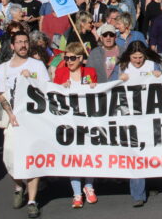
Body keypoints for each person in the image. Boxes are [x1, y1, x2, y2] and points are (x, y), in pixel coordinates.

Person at [0, 31, 50, 218]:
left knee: (33, 159)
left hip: (33, 120)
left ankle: (32, 201)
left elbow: (46, 90)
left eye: (25, 42)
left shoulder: (37, 65)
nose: (23, 45)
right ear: (12, 46)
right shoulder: (4, 68)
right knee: (9, 159)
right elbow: (1, 94)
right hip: (13, 120)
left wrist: (30, 78)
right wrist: (10, 113)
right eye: (19, 42)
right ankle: (19, 186)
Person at [109, 41, 162, 207]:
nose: (138, 61)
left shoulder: (153, 64)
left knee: (151, 151)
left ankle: (150, 183)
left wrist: (159, 76)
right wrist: (119, 78)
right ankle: (138, 193)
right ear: (128, 56)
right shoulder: (123, 66)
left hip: (150, 114)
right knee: (136, 152)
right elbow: (111, 85)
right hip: (130, 115)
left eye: (140, 57)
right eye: (134, 58)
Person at [52, 42, 99, 209]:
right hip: (68, 123)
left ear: (80, 58)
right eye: (66, 58)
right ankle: (77, 193)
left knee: (88, 155)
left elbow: (97, 97)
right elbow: (52, 94)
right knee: (73, 158)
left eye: (72, 58)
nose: (69, 61)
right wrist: (59, 87)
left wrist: (94, 87)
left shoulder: (90, 72)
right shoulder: (61, 72)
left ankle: (89, 186)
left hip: (87, 122)